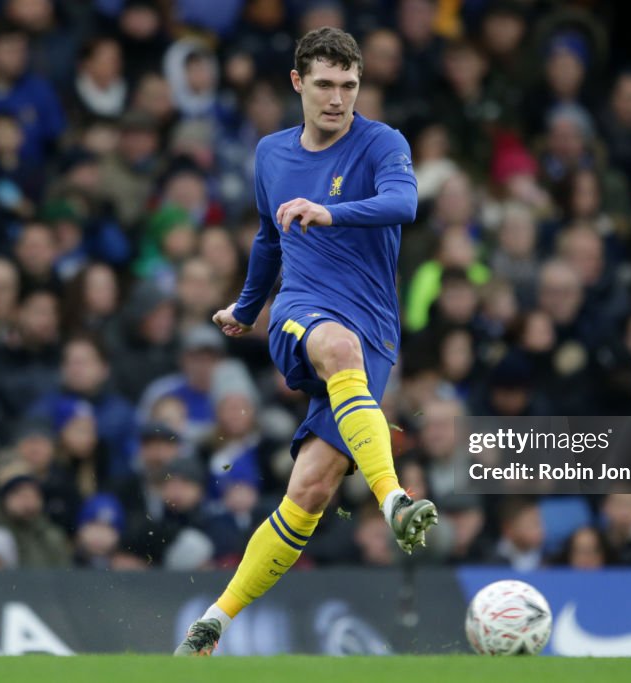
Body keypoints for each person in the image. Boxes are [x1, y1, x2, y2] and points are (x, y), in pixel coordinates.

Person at [176, 27, 438, 656]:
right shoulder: (271, 153)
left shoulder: (383, 143)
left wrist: (332, 211)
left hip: (375, 333)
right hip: (303, 310)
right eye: (324, 84)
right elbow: (270, 238)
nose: (337, 98)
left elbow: (405, 202)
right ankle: (396, 501)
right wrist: (246, 308)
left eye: (348, 85)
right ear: (298, 83)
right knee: (337, 348)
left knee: (312, 490)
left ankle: (213, 620)